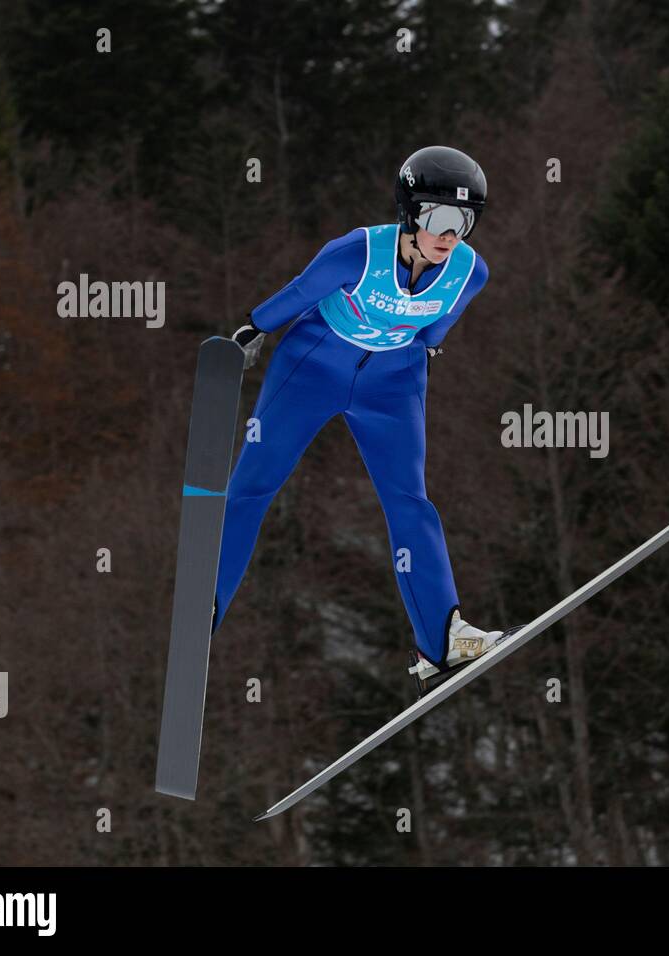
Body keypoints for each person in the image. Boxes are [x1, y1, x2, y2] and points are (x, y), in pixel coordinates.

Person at [213, 145, 513, 695]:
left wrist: (406, 363)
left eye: (464, 222)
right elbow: (300, 293)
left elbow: (435, 334)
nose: (450, 235)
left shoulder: (471, 272)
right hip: (313, 363)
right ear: (409, 210)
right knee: (255, 484)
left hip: (393, 381)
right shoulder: (357, 252)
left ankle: (441, 641)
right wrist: (251, 331)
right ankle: (204, 608)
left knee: (410, 500)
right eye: (439, 218)